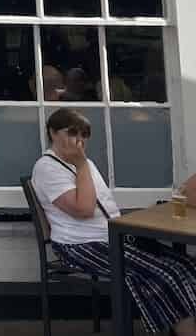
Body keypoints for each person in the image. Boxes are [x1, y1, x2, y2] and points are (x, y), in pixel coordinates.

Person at [32, 108, 196, 335]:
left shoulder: (83, 163)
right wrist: (81, 165)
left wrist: (82, 165)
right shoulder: (47, 167)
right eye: (72, 133)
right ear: (52, 132)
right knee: (165, 273)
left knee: (187, 265)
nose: (79, 140)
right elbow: (84, 209)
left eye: (84, 134)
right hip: (81, 244)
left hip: (112, 236)